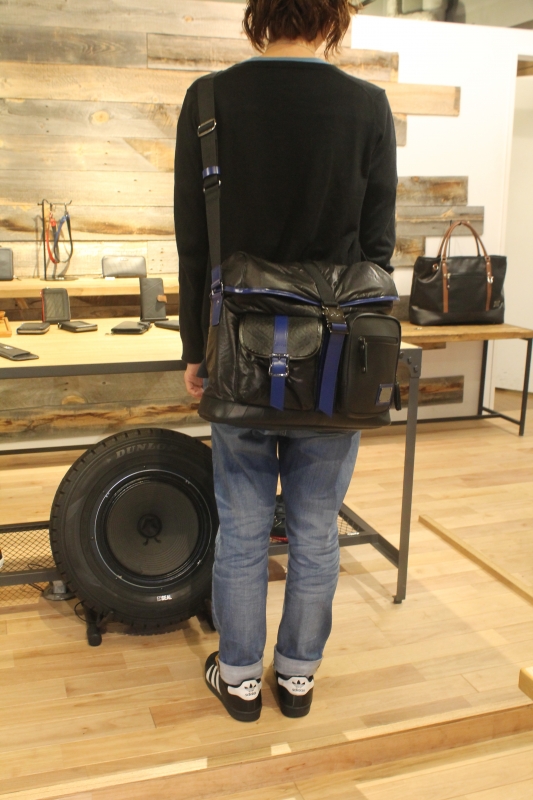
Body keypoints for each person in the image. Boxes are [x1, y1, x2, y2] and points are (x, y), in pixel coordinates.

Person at [174, 0, 397, 722]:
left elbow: (193, 247)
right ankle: (297, 677)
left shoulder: (208, 100)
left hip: (238, 356)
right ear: (334, 18)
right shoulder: (368, 107)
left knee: (241, 529)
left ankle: (240, 677)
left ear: (258, 15)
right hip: (333, 364)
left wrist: (194, 351)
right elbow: (377, 251)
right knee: (315, 529)